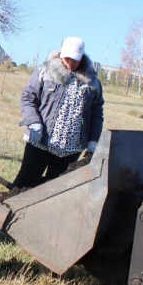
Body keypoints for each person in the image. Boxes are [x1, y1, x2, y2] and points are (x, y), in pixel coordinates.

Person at [13, 36, 104, 188]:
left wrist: (93, 140)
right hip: (40, 143)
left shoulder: (93, 82)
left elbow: (97, 113)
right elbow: (28, 97)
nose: (70, 63)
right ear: (61, 55)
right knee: (24, 183)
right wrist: (34, 121)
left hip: (70, 150)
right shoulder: (45, 72)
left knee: (54, 191)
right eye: (67, 58)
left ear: (82, 57)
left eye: (75, 59)